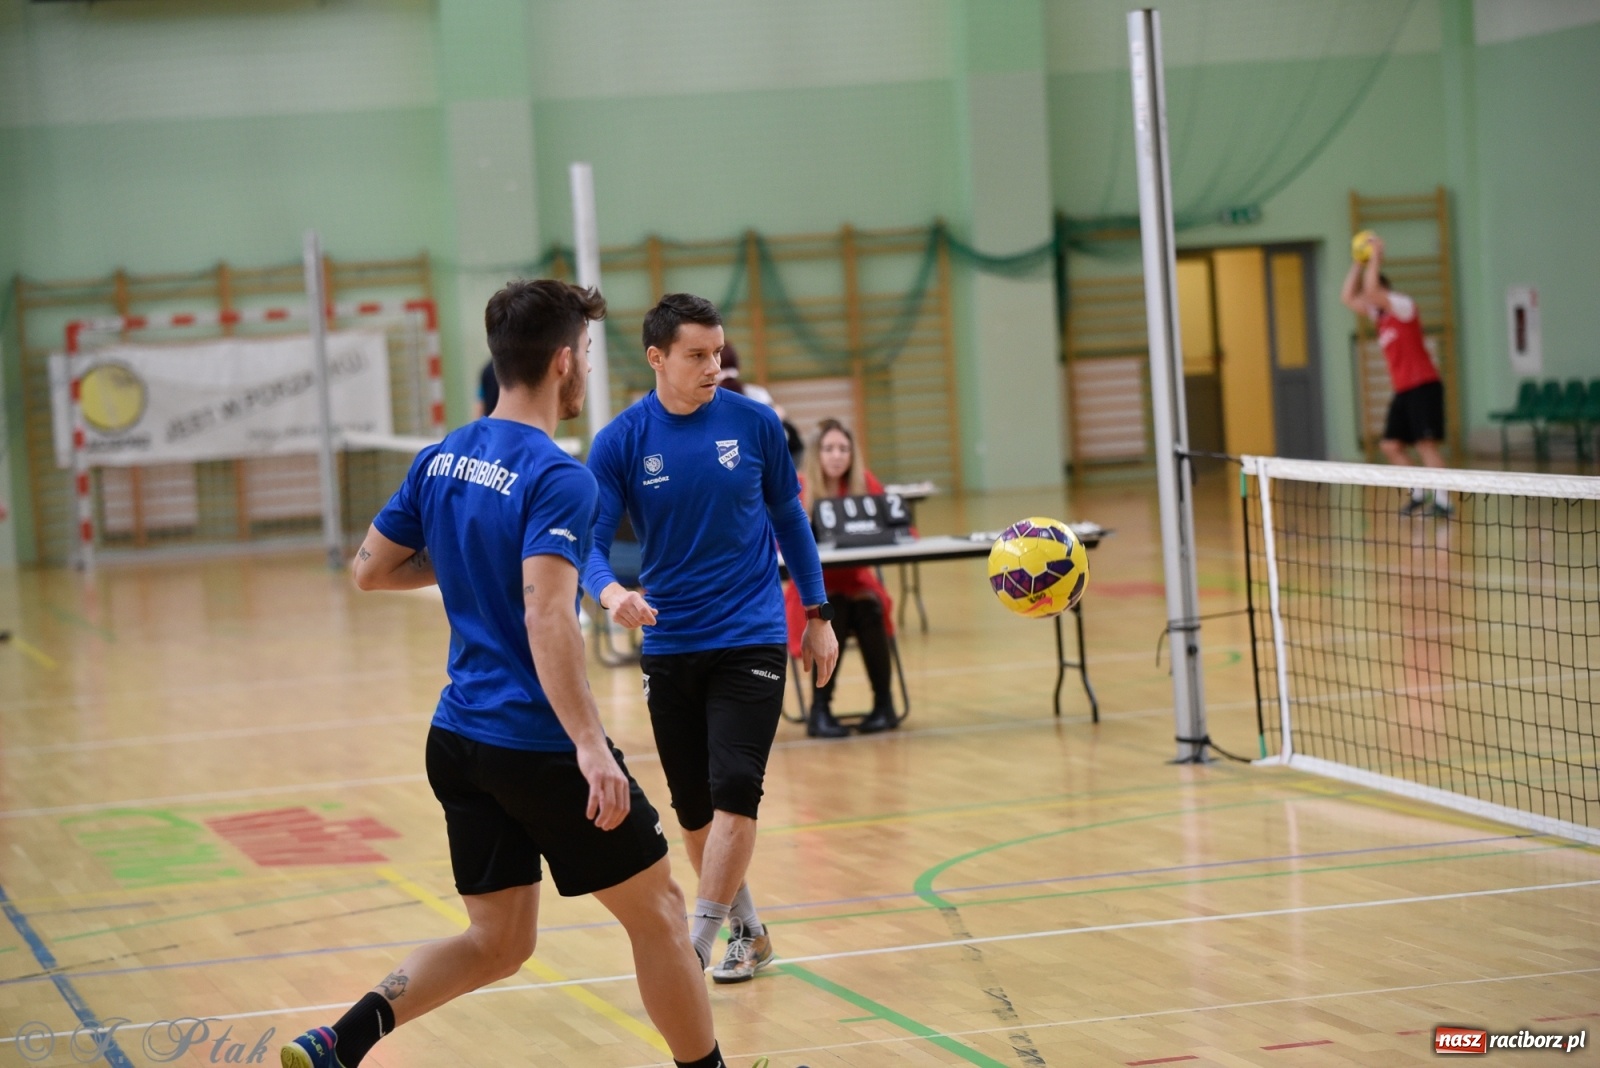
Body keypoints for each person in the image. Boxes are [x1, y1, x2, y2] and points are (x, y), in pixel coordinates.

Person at [282, 280, 729, 1068]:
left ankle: (337, 1042)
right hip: (538, 743)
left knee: (498, 941)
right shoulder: (559, 476)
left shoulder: (443, 456)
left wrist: (464, 560)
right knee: (659, 910)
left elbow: (369, 570)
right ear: (564, 362)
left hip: (459, 739)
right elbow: (549, 617)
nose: (587, 368)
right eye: (587, 353)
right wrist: (590, 746)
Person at [584, 293, 839, 984]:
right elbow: (589, 544)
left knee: (735, 789)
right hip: (670, 643)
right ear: (657, 358)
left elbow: (791, 520)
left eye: (718, 352)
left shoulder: (755, 425)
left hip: (751, 634)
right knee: (694, 807)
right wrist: (612, 593)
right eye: (696, 355)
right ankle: (747, 929)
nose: (713, 366)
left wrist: (817, 616)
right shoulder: (622, 441)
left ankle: (695, 946)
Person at [784, 419, 898, 738]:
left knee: (868, 607)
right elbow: (779, 542)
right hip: (811, 591)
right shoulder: (799, 486)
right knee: (834, 608)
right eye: (829, 448)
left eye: (844, 449)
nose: (837, 456)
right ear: (817, 453)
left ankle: (883, 705)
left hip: (857, 581)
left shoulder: (866, 484)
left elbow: (901, 530)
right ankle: (820, 710)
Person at [1340, 234, 1451, 516]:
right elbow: (1347, 297)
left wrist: (1376, 256)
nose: (1366, 302)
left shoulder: (1402, 306)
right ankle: (1418, 493)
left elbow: (1371, 289)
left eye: (1371, 295)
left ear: (1382, 291)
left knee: (1426, 445)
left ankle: (1443, 501)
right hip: (1403, 390)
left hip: (1424, 385)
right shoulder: (1380, 318)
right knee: (1390, 446)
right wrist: (1357, 263)